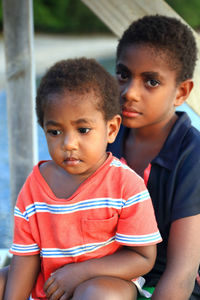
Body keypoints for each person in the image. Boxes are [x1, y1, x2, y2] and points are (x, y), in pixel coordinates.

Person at [1, 58, 162, 300]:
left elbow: (143, 257)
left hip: (107, 284)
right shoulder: (34, 186)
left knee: (94, 293)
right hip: (49, 284)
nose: (68, 144)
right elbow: (26, 257)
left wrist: (81, 272)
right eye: (55, 132)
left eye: (83, 130)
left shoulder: (125, 184)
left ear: (111, 129)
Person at [108, 15, 200, 299]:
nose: (129, 93)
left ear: (181, 92)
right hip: (104, 269)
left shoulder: (191, 154)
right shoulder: (103, 136)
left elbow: (182, 271)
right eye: (123, 75)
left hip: (163, 284)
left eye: (151, 82)